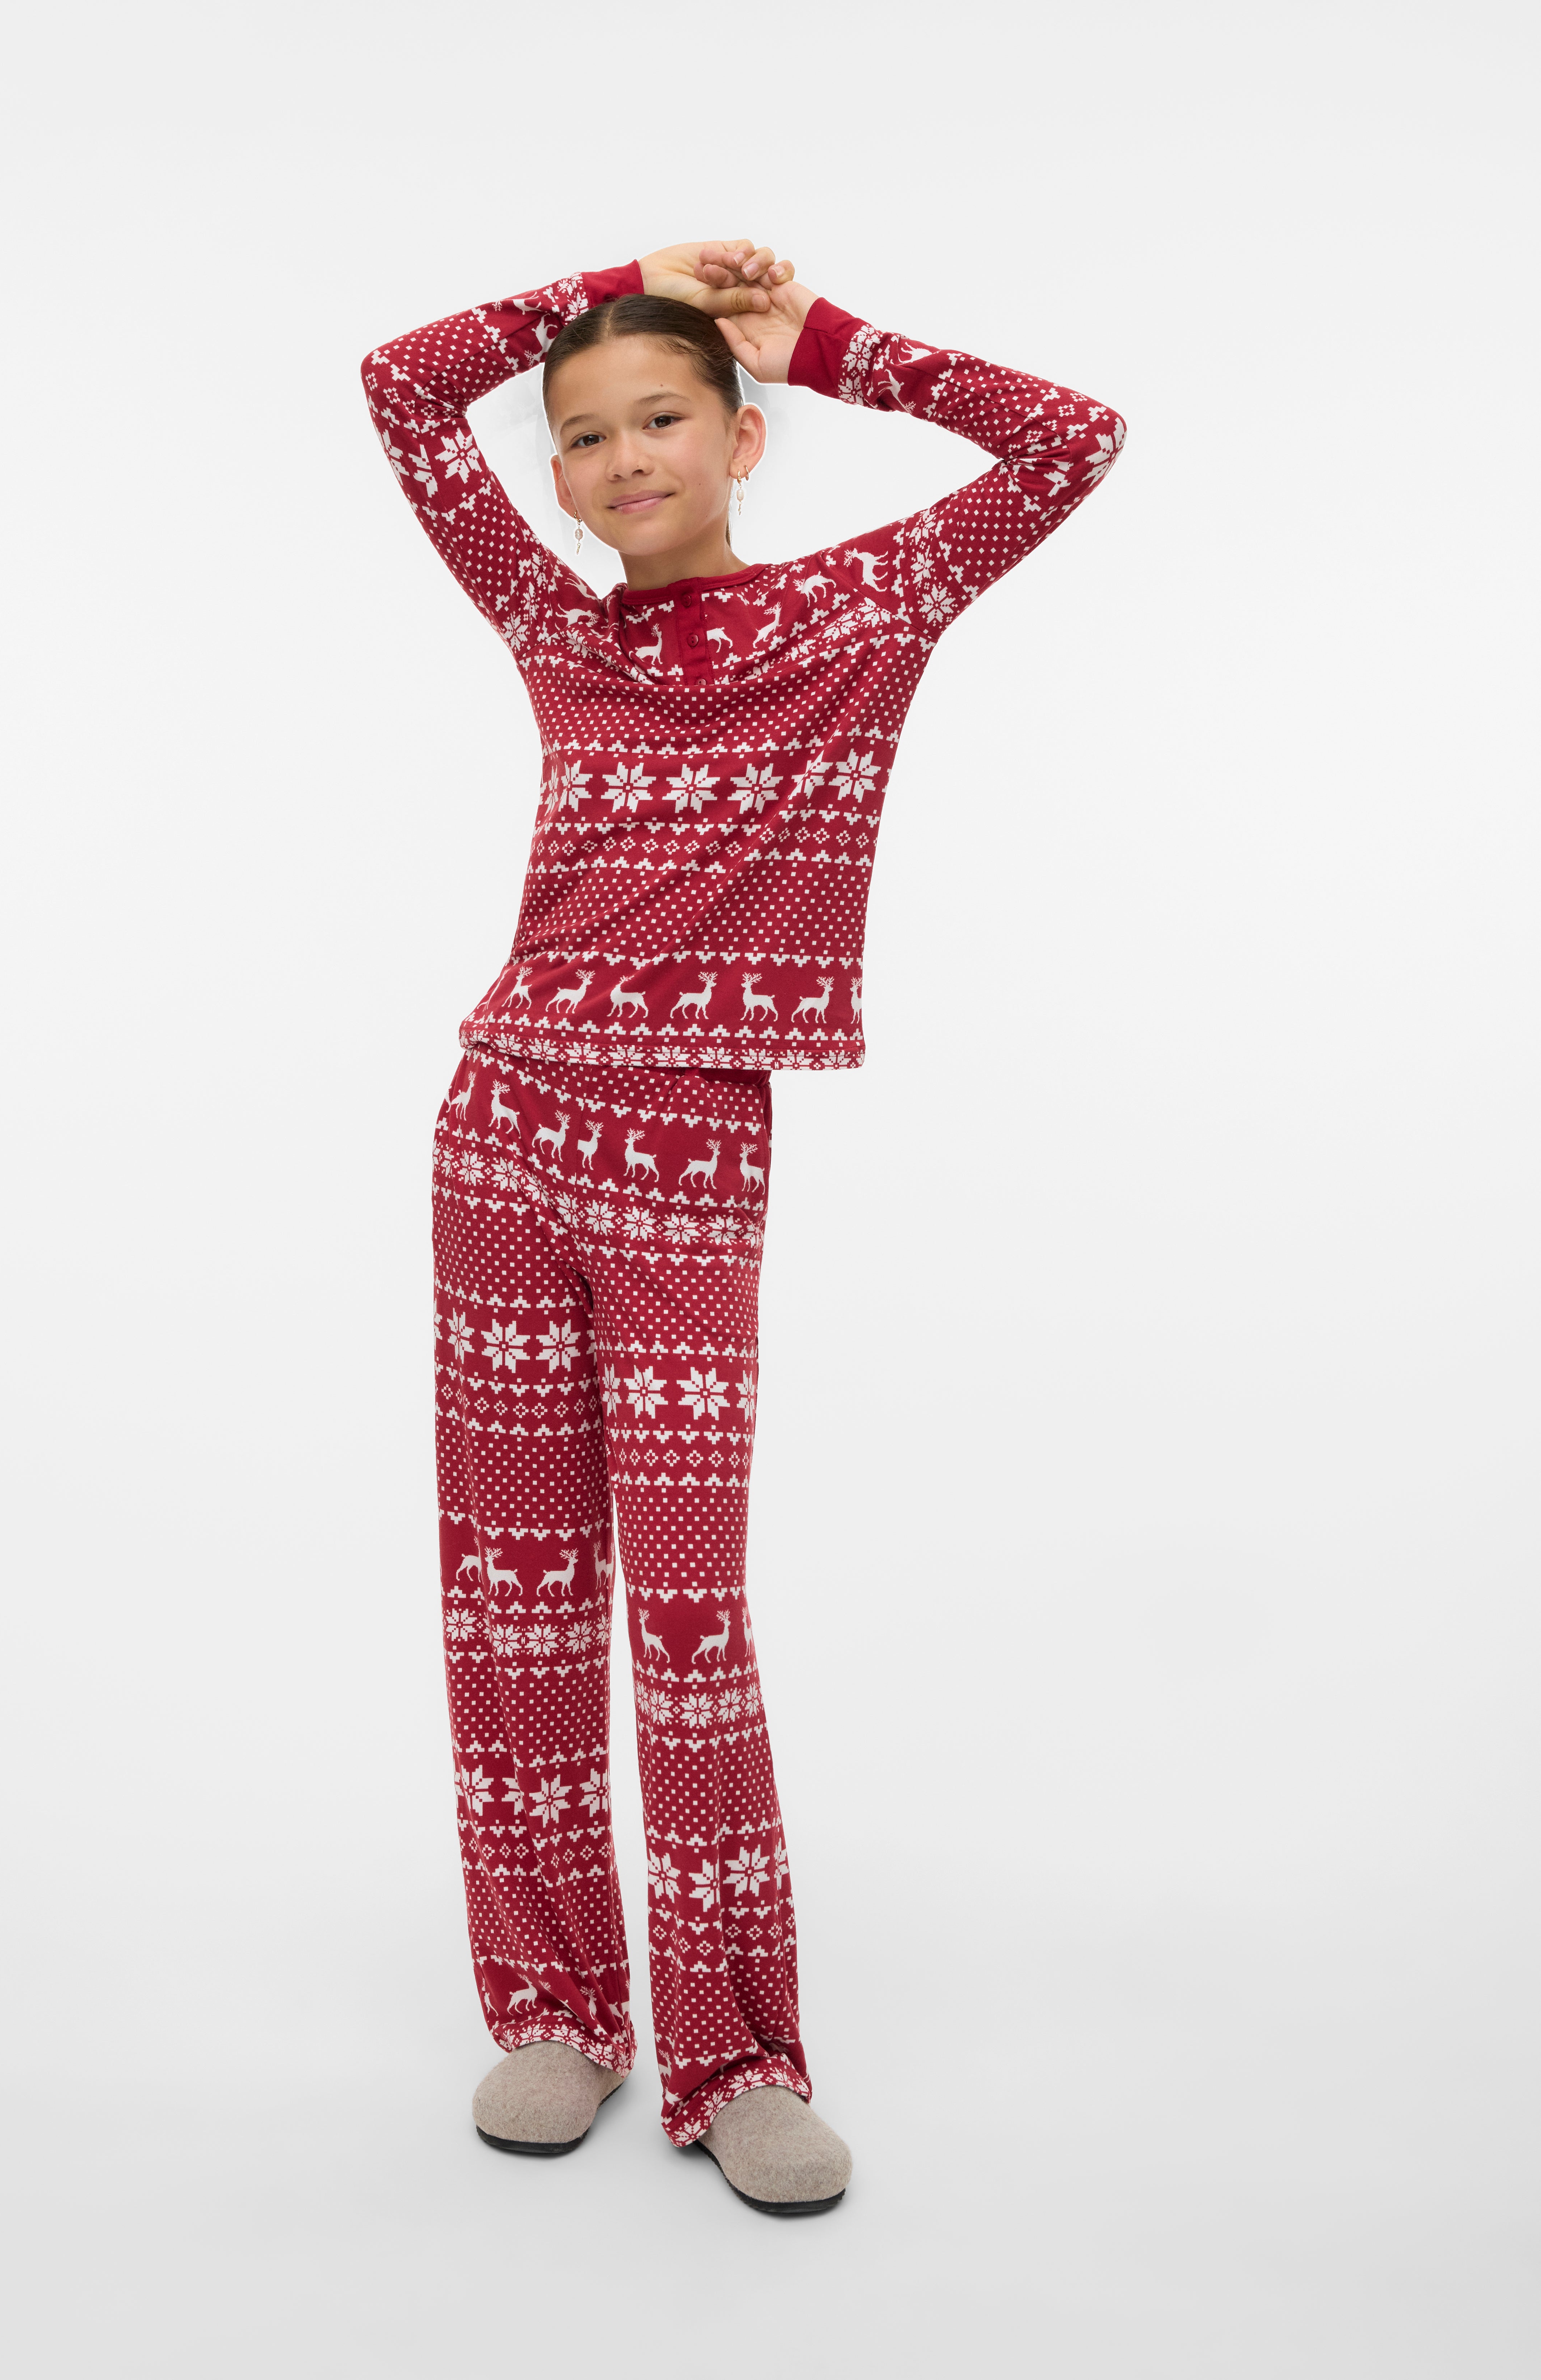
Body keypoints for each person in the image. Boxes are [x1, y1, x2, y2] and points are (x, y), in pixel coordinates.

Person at [362, 237, 1125, 2215]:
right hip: (500, 1128)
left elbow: (1070, 441)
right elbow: (397, 387)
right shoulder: (555, 626)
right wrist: (618, 277)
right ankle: (556, 2009)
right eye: (584, 437)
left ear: (742, 437)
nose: (623, 459)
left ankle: (737, 2055)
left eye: (664, 417)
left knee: (688, 1618)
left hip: (690, 1151)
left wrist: (829, 339)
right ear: (556, 476)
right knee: (515, 1594)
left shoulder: (861, 608)